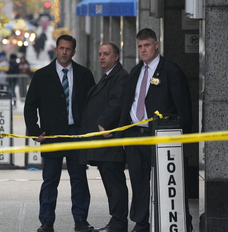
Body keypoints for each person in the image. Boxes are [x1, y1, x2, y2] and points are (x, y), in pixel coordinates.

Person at [117, 28, 193, 232]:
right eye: (140, 46)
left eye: (147, 45)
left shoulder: (171, 71)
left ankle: (182, 221)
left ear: (156, 45)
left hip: (161, 137)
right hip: (135, 137)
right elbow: (127, 103)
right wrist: (123, 133)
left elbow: (184, 110)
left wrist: (180, 139)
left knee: (169, 182)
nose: (143, 50)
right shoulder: (135, 71)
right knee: (139, 182)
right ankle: (141, 223)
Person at [24, 34, 95, 232]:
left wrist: (89, 130)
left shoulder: (84, 74)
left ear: (74, 51)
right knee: (50, 180)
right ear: (55, 50)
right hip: (51, 134)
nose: (64, 52)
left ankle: (81, 220)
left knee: (79, 178)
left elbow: (92, 105)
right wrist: (35, 131)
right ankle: (46, 221)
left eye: (68, 49)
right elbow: (30, 107)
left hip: (76, 133)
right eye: (61, 48)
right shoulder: (41, 76)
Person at [80, 42, 129, 232]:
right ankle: (116, 220)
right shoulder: (108, 77)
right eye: (100, 54)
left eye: (106, 54)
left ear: (115, 57)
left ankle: (118, 222)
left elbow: (117, 102)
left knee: (115, 183)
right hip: (102, 144)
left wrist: (103, 123)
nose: (102, 57)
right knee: (110, 183)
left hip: (110, 142)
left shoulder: (120, 77)